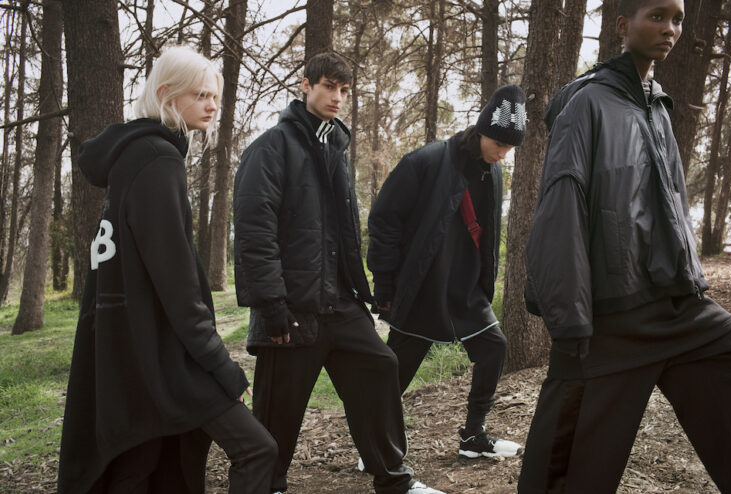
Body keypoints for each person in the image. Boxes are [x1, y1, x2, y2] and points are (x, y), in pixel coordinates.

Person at [518, 0, 731, 492]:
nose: (670, 29)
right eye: (656, 16)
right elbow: (560, 210)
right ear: (623, 25)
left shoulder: (658, 107)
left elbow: (674, 205)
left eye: (677, 19)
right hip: (612, 317)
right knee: (569, 466)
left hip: (679, 309)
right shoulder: (586, 105)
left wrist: (692, 279)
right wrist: (570, 321)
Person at [57, 46, 277, 494]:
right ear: (166, 95)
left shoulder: (131, 157)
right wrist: (222, 366)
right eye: (200, 95)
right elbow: (177, 283)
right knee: (257, 450)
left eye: (214, 96)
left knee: (145, 469)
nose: (212, 106)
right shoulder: (158, 160)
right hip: (166, 356)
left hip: (137, 352)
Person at [232, 52, 444, 494]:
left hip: (339, 302)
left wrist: (368, 290)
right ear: (305, 85)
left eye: (344, 90)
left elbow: (343, 233)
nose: (337, 97)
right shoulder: (271, 147)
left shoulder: (336, 148)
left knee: (380, 367)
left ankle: (395, 481)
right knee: (277, 412)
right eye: (329, 86)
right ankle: (266, 487)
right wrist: (271, 304)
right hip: (290, 309)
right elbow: (254, 231)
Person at [367, 85, 526, 460]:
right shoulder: (426, 161)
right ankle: (374, 442)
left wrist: (484, 283)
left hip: (466, 290)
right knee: (397, 371)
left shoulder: (493, 171)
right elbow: (384, 220)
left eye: (510, 147)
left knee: (494, 349)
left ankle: (473, 437)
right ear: (481, 130)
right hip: (423, 286)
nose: (503, 153)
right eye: (499, 143)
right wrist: (385, 284)